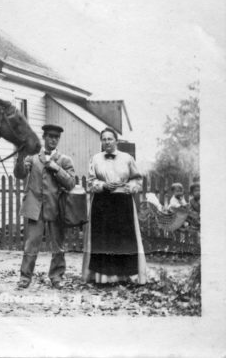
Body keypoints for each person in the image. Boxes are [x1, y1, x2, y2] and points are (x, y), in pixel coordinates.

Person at [13, 124, 77, 290]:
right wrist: (21, 161)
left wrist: (56, 168)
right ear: (44, 137)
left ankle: (56, 277)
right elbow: (19, 174)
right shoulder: (33, 158)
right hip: (35, 207)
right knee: (31, 243)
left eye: (56, 137)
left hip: (56, 207)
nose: (53, 140)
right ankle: (25, 277)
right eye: (50, 136)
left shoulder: (64, 160)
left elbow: (71, 184)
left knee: (57, 245)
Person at [82, 127, 147, 285]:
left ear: (116, 141)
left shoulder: (127, 158)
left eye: (110, 139)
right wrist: (103, 185)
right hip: (102, 203)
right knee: (103, 240)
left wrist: (130, 187)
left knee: (124, 239)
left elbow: (137, 179)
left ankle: (126, 277)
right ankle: (103, 278)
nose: (107, 142)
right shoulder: (95, 159)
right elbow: (90, 182)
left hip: (123, 202)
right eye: (104, 139)